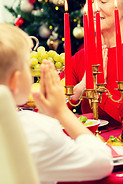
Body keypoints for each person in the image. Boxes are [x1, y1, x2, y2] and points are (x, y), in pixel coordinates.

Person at [0, 23, 113, 184]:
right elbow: (101, 161)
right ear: (15, 80)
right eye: (27, 65)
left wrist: (46, 115)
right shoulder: (34, 129)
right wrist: (62, 111)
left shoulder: (35, 125)